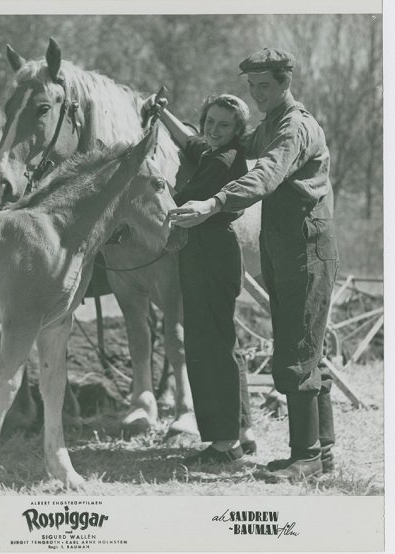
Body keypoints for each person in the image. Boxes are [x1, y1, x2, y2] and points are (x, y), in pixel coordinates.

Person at [168, 48, 338, 481]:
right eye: (252, 87)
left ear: (285, 83)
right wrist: (171, 123)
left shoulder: (294, 128)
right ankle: (322, 452)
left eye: (265, 86)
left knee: (298, 353)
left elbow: (265, 175)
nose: (258, 93)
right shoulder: (269, 126)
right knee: (302, 347)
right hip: (282, 247)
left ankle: (306, 457)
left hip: (306, 248)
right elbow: (222, 143)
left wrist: (213, 203)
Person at [142, 93, 256, 463]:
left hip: (209, 252)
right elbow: (189, 142)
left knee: (209, 345)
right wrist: (162, 115)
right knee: (220, 340)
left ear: (238, 130)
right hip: (207, 250)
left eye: (224, 125)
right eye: (209, 122)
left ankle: (225, 444)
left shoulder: (224, 160)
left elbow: (183, 199)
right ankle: (241, 431)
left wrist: (152, 178)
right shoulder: (212, 150)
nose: (213, 130)